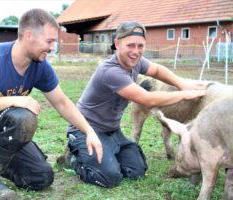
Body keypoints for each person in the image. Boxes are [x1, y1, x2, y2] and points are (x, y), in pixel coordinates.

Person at [0, 8, 102, 199]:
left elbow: (62, 102)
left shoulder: (40, 65)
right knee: (22, 116)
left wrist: (89, 131)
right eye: (49, 41)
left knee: (41, 177)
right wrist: (14, 99)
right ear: (28, 35)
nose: (52, 47)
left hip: (0, 129)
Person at [65, 21, 206, 188]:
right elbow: (148, 100)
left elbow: (158, 70)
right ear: (117, 44)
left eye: (140, 46)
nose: (136, 51)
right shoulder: (110, 71)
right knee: (109, 177)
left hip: (111, 131)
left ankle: (106, 152)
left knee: (137, 171)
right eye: (130, 45)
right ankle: (74, 158)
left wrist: (181, 83)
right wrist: (184, 94)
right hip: (85, 130)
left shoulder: (135, 62)